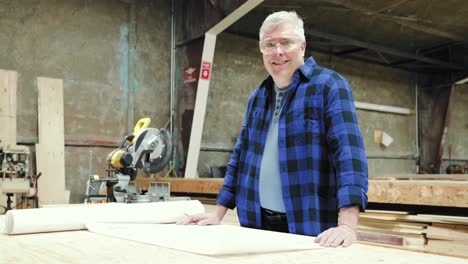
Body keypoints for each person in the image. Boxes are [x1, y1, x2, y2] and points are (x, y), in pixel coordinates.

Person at [178, 10, 368, 248]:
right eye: (270, 44)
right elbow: (239, 157)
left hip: (308, 223)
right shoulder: (257, 97)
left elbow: (349, 155)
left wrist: (347, 226)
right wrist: (218, 213)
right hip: (256, 222)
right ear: (262, 50)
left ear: (302, 46)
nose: (277, 51)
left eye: (285, 42)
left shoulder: (329, 85)